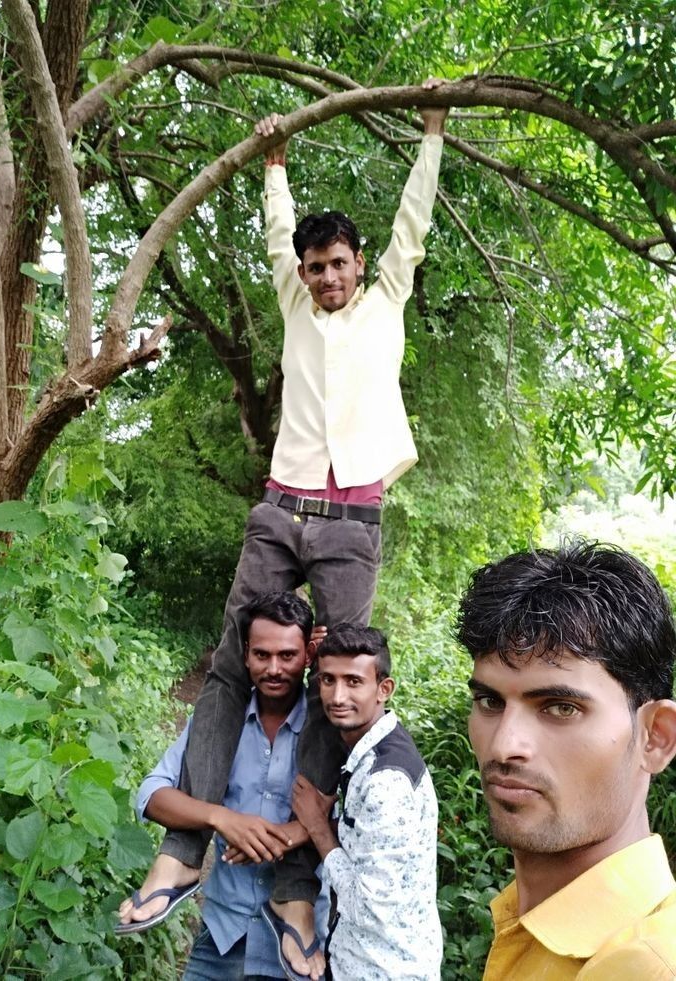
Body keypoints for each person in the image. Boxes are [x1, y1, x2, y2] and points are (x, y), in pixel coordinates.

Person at [119, 79, 448, 980]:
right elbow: (276, 231)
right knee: (234, 660)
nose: (328, 277)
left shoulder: (384, 303)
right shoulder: (296, 306)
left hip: (350, 519)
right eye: (315, 267)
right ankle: (183, 851)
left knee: (335, 674)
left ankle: (298, 882)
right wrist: (273, 163)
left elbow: (413, 224)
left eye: (339, 262)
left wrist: (431, 131)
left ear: (357, 262)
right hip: (281, 503)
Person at [456, 542, 676, 979]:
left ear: (655, 737)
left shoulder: (647, 966)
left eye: (560, 707)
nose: (504, 746)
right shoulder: (530, 915)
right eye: (489, 700)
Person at [119, 591, 329, 978]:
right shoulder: (218, 721)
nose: (274, 668)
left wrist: (292, 833)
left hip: (299, 944)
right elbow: (151, 795)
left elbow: (356, 821)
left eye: (287, 656)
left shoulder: (332, 727)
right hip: (221, 933)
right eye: (262, 655)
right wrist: (222, 818)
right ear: (246, 653)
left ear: (308, 655)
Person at [289, 624, 443, 980]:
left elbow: (368, 908)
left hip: (382, 970)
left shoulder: (386, 782)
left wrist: (316, 828)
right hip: (359, 962)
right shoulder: (370, 754)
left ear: (383, 689)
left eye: (354, 682)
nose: (338, 696)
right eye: (328, 680)